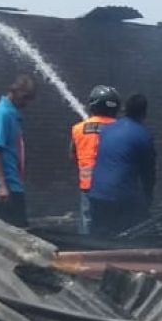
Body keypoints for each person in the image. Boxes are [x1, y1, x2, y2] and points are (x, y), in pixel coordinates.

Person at [89, 94, 157, 237]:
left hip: (96, 194)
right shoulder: (143, 135)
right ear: (144, 113)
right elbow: (148, 174)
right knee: (128, 235)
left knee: (98, 238)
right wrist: (148, 197)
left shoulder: (106, 130)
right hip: (120, 198)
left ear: (124, 110)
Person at [0, 75, 37, 227]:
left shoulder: (11, 114)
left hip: (11, 182)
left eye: (29, 98)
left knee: (17, 230)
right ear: (14, 91)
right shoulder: (2, 114)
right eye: (24, 97)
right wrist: (2, 185)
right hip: (3, 185)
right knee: (17, 231)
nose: (26, 102)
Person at [70, 85, 120, 234]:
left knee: (88, 224)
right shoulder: (122, 128)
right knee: (113, 226)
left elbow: (73, 155)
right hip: (114, 187)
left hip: (88, 186)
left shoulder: (78, 129)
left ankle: (86, 253)